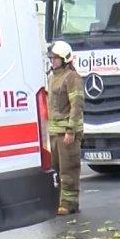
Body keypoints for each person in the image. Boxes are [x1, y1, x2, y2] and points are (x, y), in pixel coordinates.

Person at [47, 41, 84, 215]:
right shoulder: (52, 77)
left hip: (66, 134)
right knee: (57, 170)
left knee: (68, 170)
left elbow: (76, 105)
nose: (52, 61)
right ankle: (61, 201)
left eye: (55, 58)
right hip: (54, 133)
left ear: (65, 59)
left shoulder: (72, 77)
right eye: (51, 58)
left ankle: (69, 204)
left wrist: (71, 131)